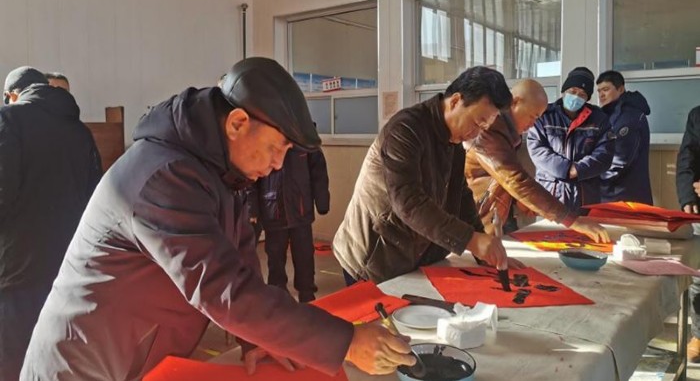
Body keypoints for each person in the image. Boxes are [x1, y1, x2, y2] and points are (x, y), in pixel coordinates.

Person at [21, 57, 413, 381]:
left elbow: (241, 258)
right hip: (82, 365)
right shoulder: (165, 177)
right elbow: (223, 290)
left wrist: (256, 337)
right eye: (276, 148)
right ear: (237, 123)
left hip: (136, 358)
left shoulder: (218, 170)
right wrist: (346, 342)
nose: (278, 164)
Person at [333, 66, 512, 285]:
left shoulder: (454, 140)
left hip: (414, 255)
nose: (476, 133)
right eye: (476, 122)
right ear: (455, 101)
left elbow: (460, 195)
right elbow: (408, 202)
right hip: (375, 257)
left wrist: (482, 246)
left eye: (484, 127)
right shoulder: (405, 129)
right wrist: (471, 240)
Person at [0, 66, 102, 381]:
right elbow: (94, 199)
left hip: (17, 271)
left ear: (12, 95)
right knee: (56, 356)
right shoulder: (80, 131)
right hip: (68, 269)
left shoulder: (8, 120)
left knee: (12, 360)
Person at [464, 79, 609, 243]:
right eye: (532, 116)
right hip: (474, 219)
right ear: (515, 102)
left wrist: (521, 200)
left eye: (537, 118)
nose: (533, 124)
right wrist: (571, 220)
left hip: (493, 214)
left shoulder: (508, 132)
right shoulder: (489, 130)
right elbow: (514, 178)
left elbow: (504, 176)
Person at [527, 67, 614, 211]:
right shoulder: (545, 115)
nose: (576, 97)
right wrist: (565, 169)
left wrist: (578, 169)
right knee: (549, 225)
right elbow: (537, 149)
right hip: (550, 192)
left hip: (586, 195)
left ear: (587, 98)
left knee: (585, 225)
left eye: (582, 94)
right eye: (572, 91)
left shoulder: (599, 119)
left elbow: (604, 155)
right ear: (564, 91)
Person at [252, 146, 330, 303]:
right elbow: (252, 178)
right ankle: (278, 289)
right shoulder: (264, 141)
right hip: (273, 209)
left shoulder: (304, 142)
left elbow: (319, 173)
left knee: (304, 254)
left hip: (300, 209)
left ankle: (306, 290)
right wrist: (252, 209)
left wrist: (322, 201)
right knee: (275, 254)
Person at [596, 70, 652, 204]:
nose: (601, 95)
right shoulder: (608, 116)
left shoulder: (630, 115)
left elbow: (620, 159)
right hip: (610, 193)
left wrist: (594, 177)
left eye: (606, 89)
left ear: (620, 89)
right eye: (599, 91)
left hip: (625, 196)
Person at [676, 105, 700, 362]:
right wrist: (687, 197)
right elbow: (686, 158)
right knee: (698, 277)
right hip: (699, 208)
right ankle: (699, 335)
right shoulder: (697, 115)